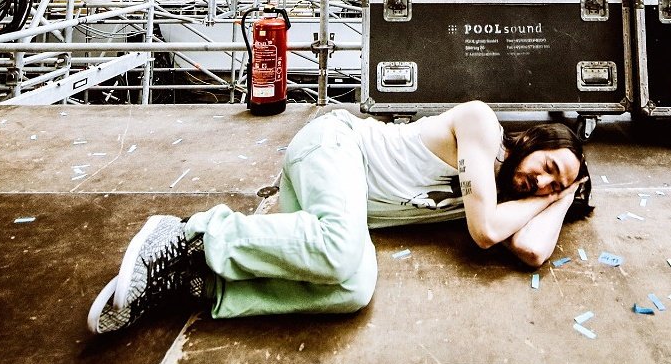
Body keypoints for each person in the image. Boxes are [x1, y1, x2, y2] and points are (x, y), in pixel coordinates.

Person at [86, 100, 591, 334]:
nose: (543, 184)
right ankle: (190, 237)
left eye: (555, 185)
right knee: (341, 249)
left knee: (352, 290)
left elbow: (530, 250)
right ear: (533, 141)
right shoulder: (483, 127)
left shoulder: (507, 202)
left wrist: (565, 195)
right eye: (548, 167)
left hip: (325, 212)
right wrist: (558, 192)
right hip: (334, 146)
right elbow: (485, 235)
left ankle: (200, 282)